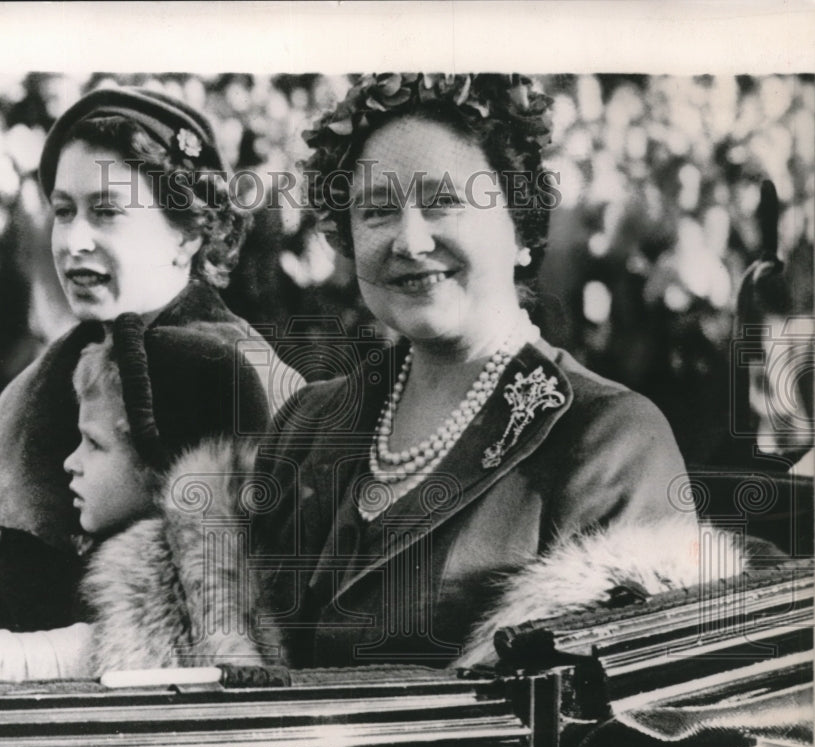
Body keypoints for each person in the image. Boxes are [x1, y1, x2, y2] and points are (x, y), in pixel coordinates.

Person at [251, 73, 700, 670]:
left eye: (443, 202)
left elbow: (621, 724)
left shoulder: (611, 440)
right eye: (378, 211)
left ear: (520, 227)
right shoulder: (309, 422)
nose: (410, 240)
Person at [0, 84, 302, 631]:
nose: (74, 240)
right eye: (63, 211)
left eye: (106, 211)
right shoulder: (75, 360)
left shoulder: (229, 380)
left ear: (187, 235)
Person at [0, 331, 281, 683]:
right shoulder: (137, 570)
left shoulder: (195, 598)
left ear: (163, 466)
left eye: (95, 444)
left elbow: (114, 650)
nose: (71, 462)